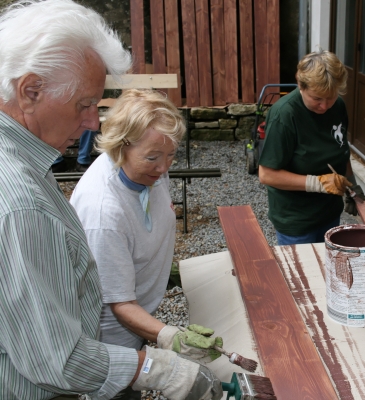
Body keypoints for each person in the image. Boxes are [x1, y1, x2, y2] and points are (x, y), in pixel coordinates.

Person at [0, 1, 222, 399]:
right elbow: (59, 361)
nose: (91, 122)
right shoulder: (24, 205)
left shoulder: (29, 161)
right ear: (30, 91)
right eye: (84, 104)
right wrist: (158, 369)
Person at [70, 90, 222, 395]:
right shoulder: (103, 212)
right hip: (112, 335)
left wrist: (167, 271)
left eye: (171, 155)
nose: (164, 168)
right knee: (121, 392)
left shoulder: (149, 167)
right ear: (121, 146)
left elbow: (145, 229)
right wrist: (170, 336)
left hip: (137, 310)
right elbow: (120, 304)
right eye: (153, 157)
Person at [258, 50, 365, 245]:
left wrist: (352, 187)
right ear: (300, 85)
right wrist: (319, 183)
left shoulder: (338, 106)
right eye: (317, 98)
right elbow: (267, 175)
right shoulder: (284, 115)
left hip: (329, 214)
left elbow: (341, 152)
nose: (324, 106)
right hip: (296, 221)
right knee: (302, 265)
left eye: (330, 97)